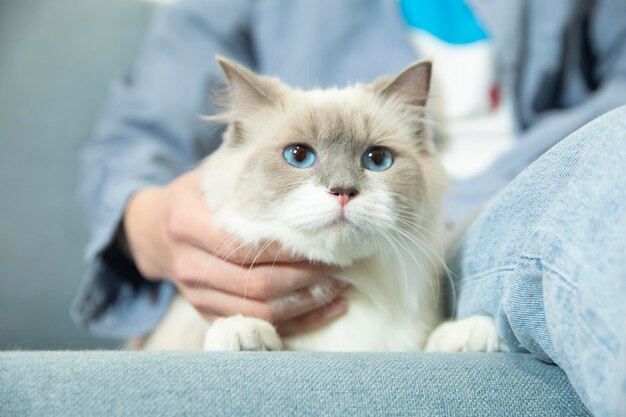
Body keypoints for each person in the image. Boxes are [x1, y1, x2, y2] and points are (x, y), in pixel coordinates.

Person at [71, 0, 626, 415]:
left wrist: (483, 191)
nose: (340, 185)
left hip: (501, 214)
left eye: (375, 157)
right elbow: (137, 137)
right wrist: (151, 228)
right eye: (299, 154)